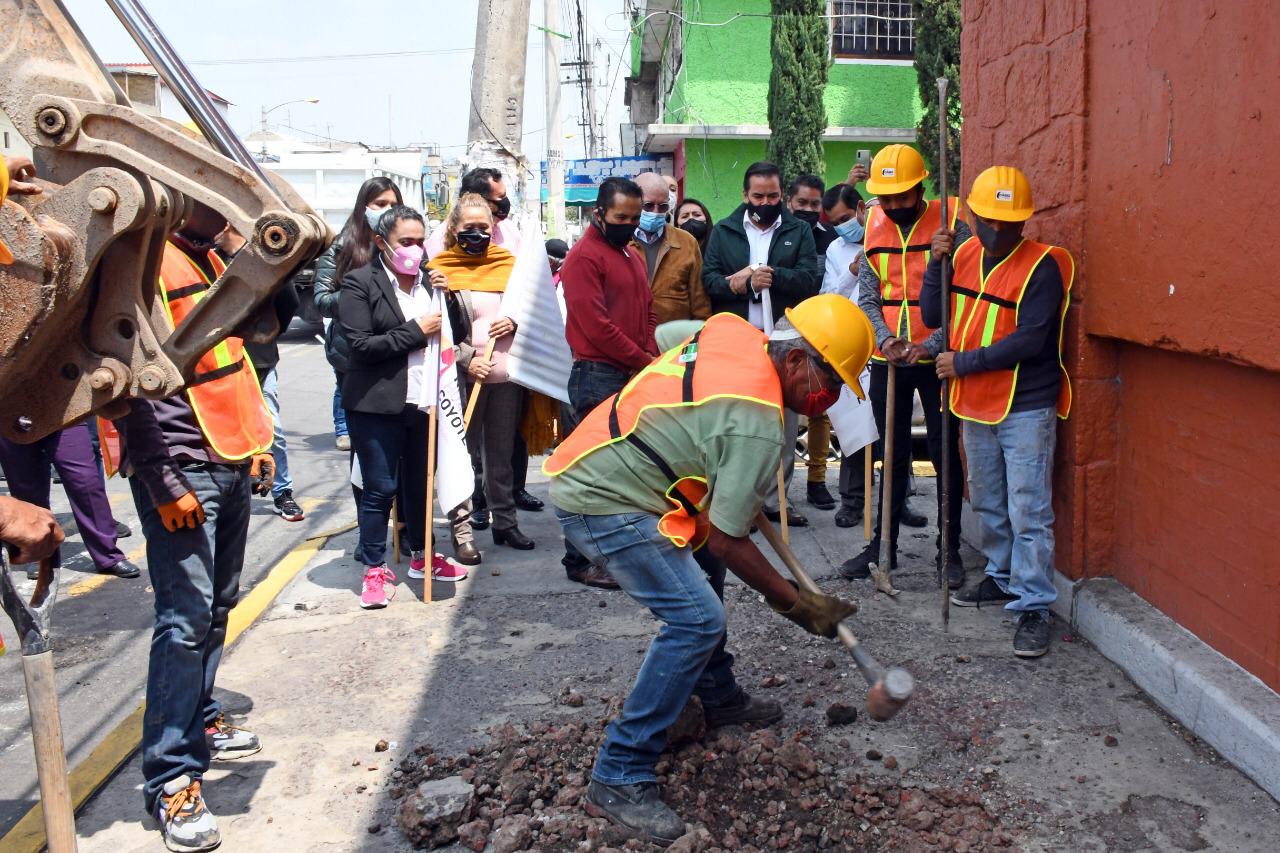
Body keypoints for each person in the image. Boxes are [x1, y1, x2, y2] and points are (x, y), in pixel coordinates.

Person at [547, 295, 870, 844]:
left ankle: (715, 694)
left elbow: (672, 339)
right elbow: (727, 537)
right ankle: (619, 771)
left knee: (701, 565)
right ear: (793, 361)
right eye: (830, 382)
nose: (830, 399)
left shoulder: (732, 331)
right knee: (697, 619)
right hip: (603, 498)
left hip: (607, 456)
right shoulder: (759, 427)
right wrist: (794, 601)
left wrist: (691, 429)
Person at [106, 203, 276, 853]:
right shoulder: (143, 267)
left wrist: (259, 440)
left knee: (215, 609)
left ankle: (199, 718)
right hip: (182, 468)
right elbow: (127, 379)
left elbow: (233, 364)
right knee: (184, 618)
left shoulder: (209, 257)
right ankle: (171, 776)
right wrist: (161, 477)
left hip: (230, 457)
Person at [924, 166, 1073, 659]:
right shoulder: (962, 253)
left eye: (1009, 223)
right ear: (973, 216)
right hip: (974, 401)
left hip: (1024, 403)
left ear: (1024, 223)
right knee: (987, 499)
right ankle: (1001, 574)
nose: (998, 231)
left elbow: (1032, 339)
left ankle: (1034, 605)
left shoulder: (1043, 266)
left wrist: (961, 362)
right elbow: (932, 316)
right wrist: (934, 265)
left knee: (1028, 508)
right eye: (988, 220)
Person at [842, 144, 968, 589]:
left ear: (921, 187)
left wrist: (930, 344)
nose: (894, 205)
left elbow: (965, 300)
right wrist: (887, 339)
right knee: (889, 457)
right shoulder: (874, 223)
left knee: (944, 454)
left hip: (937, 361)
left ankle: (948, 550)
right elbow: (870, 296)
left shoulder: (953, 224)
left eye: (902, 196)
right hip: (890, 359)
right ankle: (883, 547)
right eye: (887, 197)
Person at [340, 205, 475, 601]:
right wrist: (415, 331)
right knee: (380, 488)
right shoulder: (359, 284)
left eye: (420, 242)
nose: (414, 250)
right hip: (376, 405)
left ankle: (423, 554)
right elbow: (362, 345)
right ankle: (375, 568)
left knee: (420, 486)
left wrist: (447, 298)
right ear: (382, 243)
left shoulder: (430, 284)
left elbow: (454, 334)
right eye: (406, 242)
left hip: (425, 402)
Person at [702, 161, 821, 528]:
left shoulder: (799, 230)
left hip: (785, 344)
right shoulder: (724, 231)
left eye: (772, 196)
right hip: (737, 343)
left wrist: (773, 276)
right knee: (737, 424)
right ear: (745, 195)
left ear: (781, 195)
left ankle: (777, 501)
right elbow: (709, 280)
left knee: (784, 427)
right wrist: (736, 284)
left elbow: (808, 280)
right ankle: (735, 503)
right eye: (758, 196)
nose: (766, 202)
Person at [557, 176, 657, 590]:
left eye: (634, 218)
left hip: (629, 372)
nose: (629, 224)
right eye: (621, 217)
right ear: (598, 213)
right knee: (592, 472)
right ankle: (578, 561)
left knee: (620, 471)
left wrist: (649, 356)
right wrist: (642, 359)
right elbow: (595, 326)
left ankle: (612, 554)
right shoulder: (583, 258)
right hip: (596, 373)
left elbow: (647, 311)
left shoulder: (631, 255)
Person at [428, 193, 534, 552]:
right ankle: (462, 532)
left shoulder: (511, 266)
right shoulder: (441, 271)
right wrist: (466, 357)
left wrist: (515, 319)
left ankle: (505, 523)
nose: (477, 233)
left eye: (483, 227)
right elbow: (435, 331)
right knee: (460, 456)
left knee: (500, 456)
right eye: (469, 228)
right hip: (462, 377)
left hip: (506, 377)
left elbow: (534, 312)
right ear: (454, 229)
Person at [221, 225, 305, 524]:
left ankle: (282, 491)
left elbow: (289, 301)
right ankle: (236, 490)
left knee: (271, 429)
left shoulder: (263, 256)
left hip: (258, 360)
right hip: (215, 364)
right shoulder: (203, 254)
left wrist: (265, 335)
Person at [315, 177, 404, 454]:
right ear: (364, 207)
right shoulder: (342, 247)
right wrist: (360, 294)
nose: (387, 209)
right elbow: (321, 299)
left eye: (393, 204)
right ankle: (344, 430)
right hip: (351, 349)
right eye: (380, 204)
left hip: (395, 347)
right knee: (362, 431)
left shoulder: (405, 248)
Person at [0, 424, 139, 579]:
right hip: (8, 415)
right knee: (26, 488)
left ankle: (108, 554)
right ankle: (39, 556)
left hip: (62, 413)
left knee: (85, 482)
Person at [813, 182, 870, 524]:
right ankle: (852, 501)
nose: (844, 226)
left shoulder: (887, 237)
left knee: (894, 426)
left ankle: (900, 499)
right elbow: (828, 295)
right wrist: (850, 274)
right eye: (836, 222)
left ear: (862, 208)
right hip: (851, 343)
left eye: (848, 218)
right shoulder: (837, 249)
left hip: (888, 340)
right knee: (854, 427)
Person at [630, 173, 711, 325]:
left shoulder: (687, 242)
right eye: (648, 205)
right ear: (634, 202)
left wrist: (698, 339)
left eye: (662, 206)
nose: (655, 212)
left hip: (675, 343)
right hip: (629, 342)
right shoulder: (620, 242)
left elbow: (700, 303)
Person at [427, 167, 522, 259]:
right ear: (480, 201)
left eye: (484, 227)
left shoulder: (509, 228)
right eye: (501, 197)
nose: (504, 202)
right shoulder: (439, 240)